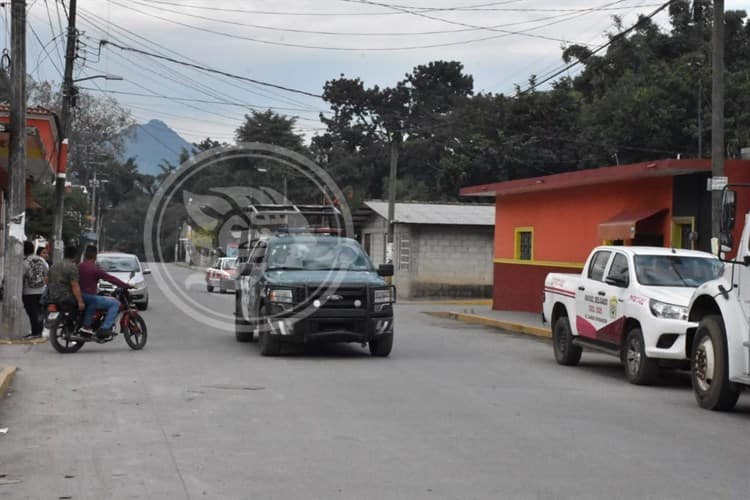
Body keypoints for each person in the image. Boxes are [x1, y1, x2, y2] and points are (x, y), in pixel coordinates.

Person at [78, 245, 132, 338]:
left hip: (79, 295)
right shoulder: (95, 269)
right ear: (95, 256)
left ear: (85, 255)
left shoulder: (79, 266)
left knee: (94, 302)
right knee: (115, 303)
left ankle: (87, 325)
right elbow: (111, 279)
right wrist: (126, 285)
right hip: (89, 296)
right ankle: (105, 328)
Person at [46, 245, 85, 317]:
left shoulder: (54, 265)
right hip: (66, 298)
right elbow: (75, 285)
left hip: (52, 297)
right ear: (75, 256)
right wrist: (80, 301)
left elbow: (46, 280)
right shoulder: (72, 267)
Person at [22, 241, 49, 339]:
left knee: (32, 312)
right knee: (40, 312)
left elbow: (21, 276)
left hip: (28, 292)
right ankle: (39, 332)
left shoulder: (24, 262)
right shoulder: (41, 260)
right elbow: (47, 273)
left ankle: (35, 332)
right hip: (41, 290)